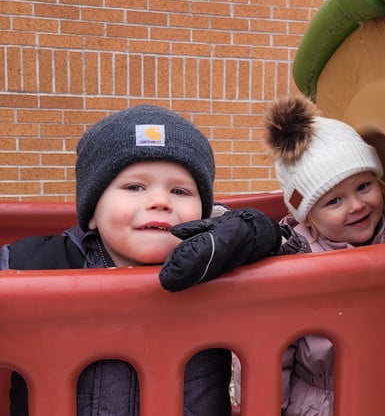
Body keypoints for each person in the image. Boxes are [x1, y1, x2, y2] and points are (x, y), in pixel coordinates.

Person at [0, 104, 307, 416]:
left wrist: (264, 234)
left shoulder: (217, 259)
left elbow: (305, 278)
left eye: (180, 190)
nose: (160, 201)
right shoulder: (38, 261)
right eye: (135, 187)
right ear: (92, 213)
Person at [262, 94, 385, 416]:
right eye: (334, 201)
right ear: (308, 216)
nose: (357, 205)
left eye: (363, 186)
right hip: (322, 402)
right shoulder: (297, 261)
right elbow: (275, 350)